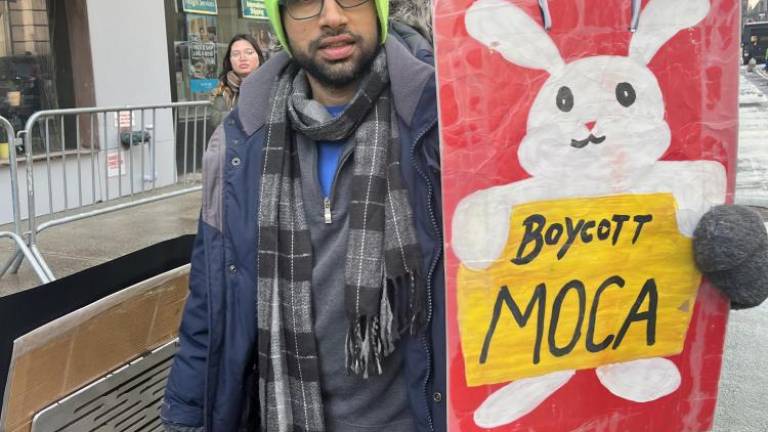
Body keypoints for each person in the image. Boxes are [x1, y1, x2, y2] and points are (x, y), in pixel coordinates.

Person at [160, 1, 768, 431]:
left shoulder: (454, 126)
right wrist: (185, 418)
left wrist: (714, 254)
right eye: (303, 3)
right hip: (287, 414)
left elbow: (587, 224)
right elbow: (212, 302)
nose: (331, 16)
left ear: (377, 6)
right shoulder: (239, 145)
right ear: (279, 22)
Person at [209, 34, 264, 128]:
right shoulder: (223, 88)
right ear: (229, 60)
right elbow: (215, 120)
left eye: (249, 52)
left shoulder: (273, 83)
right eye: (235, 54)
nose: (242, 58)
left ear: (258, 56)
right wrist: (243, 116)